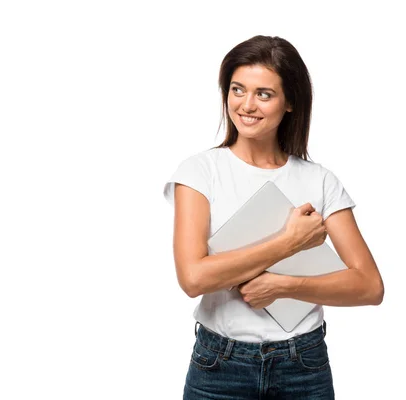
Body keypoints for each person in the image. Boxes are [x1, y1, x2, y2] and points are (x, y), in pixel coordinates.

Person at [162, 35, 384, 399]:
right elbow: (193, 278)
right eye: (237, 89)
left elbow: (369, 287)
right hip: (220, 364)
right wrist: (288, 242)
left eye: (264, 94)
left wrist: (285, 286)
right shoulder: (201, 172)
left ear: (290, 102)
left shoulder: (319, 180)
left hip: (304, 364)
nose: (247, 105)